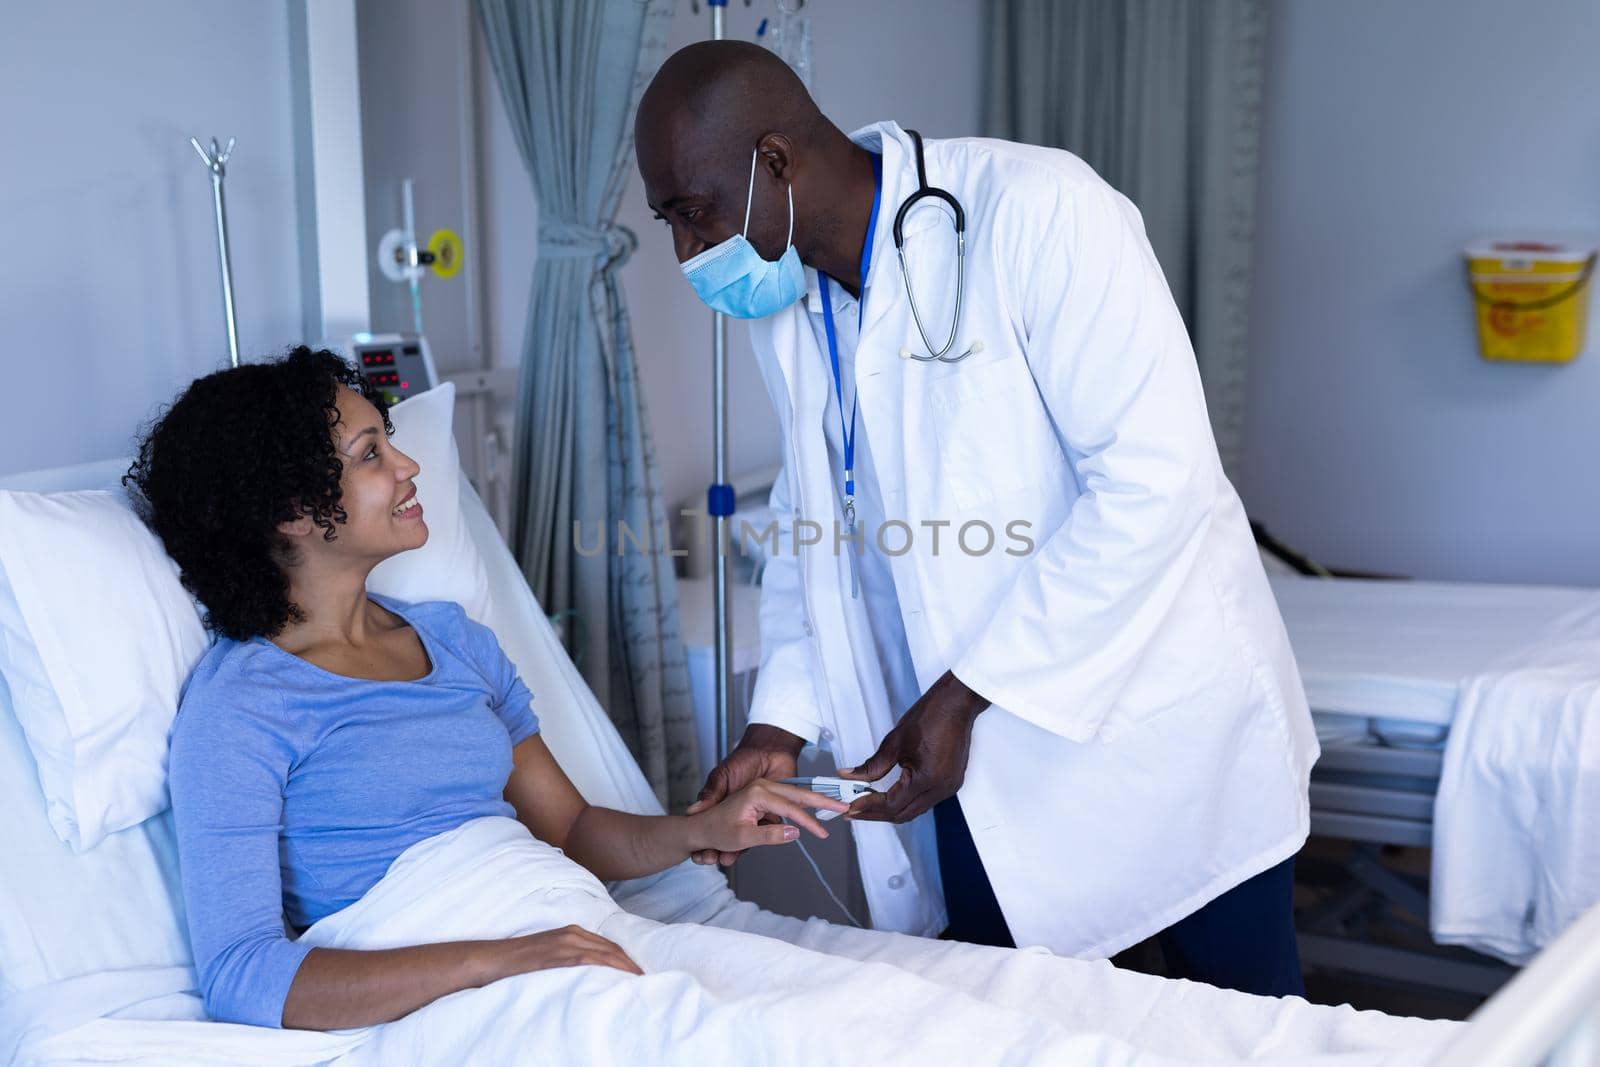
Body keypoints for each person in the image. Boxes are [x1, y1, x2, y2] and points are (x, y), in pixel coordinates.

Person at [634, 41, 1319, 997]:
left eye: (692, 212)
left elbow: (1157, 481)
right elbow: (808, 519)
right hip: (972, 771)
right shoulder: (789, 307)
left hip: (1161, 743)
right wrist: (778, 723)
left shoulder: (1039, 212)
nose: (684, 251)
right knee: (1029, 1026)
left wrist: (965, 690)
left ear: (776, 162)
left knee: (1248, 1031)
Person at [129, 348, 848, 1031]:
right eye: (370, 453)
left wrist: (701, 829)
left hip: (571, 933)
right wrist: (495, 960)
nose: (409, 466)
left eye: (392, 441)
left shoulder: (452, 640)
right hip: (464, 995)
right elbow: (241, 973)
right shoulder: (241, 706)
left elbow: (570, 830)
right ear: (286, 509)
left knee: (837, 1017)